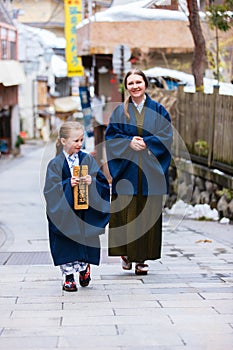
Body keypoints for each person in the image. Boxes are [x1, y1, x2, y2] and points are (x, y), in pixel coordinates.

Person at [105, 68, 173, 275]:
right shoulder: (120, 111)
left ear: (145, 84)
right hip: (127, 170)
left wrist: (148, 142)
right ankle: (126, 254)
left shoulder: (158, 110)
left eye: (138, 82)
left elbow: (166, 135)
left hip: (150, 170)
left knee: (147, 214)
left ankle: (142, 259)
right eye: (131, 83)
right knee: (126, 212)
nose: (135, 86)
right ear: (126, 87)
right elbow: (111, 137)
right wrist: (128, 143)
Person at [44, 121, 110, 292]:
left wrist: (92, 181)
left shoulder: (87, 159)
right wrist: (67, 183)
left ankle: (84, 268)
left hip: (85, 211)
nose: (80, 144)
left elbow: (102, 182)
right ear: (64, 141)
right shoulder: (55, 164)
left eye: (81, 140)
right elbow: (50, 189)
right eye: (75, 141)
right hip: (65, 213)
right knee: (66, 242)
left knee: (85, 241)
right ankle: (68, 277)